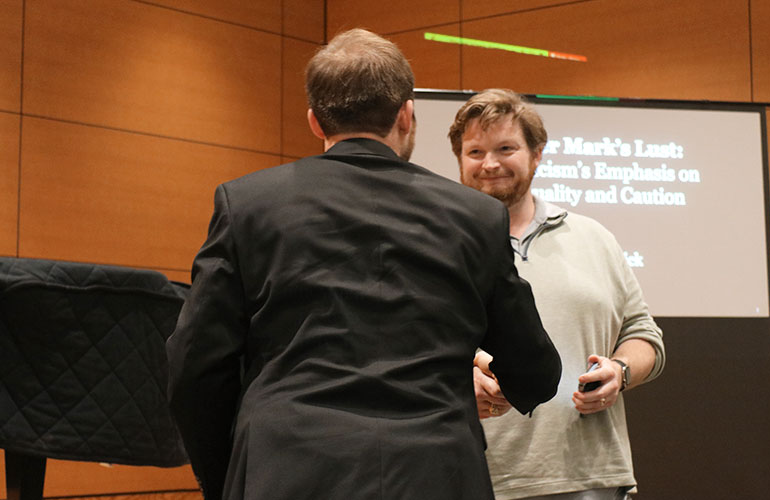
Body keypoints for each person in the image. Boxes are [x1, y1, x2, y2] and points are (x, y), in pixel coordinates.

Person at [166, 33, 562, 500]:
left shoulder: (249, 204)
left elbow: (194, 366)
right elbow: (535, 372)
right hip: (435, 474)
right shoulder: (474, 217)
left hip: (285, 471)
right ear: (406, 115)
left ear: (316, 122)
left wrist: (232, 476)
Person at [449, 88, 665, 500]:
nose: (490, 163)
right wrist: (456, 383)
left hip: (589, 479)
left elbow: (644, 335)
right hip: (470, 477)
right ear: (460, 160)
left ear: (537, 153)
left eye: (506, 147)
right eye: (475, 151)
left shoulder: (594, 238)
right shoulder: (436, 245)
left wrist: (619, 372)